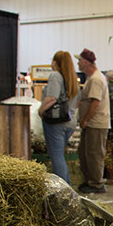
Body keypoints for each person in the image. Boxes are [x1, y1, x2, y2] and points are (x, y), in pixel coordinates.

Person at [38, 51, 80, 184]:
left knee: (56, 157)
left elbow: (52, 97)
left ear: (55, 62)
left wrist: (41, 110)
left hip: (56, 122)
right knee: (60, 156)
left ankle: (63, 190)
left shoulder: (56, 76)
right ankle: (67, 187)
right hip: (70, 122)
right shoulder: (72, 79)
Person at [75, 48, 110, 193]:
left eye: (79, 61)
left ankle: (96, 183)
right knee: (86, 152)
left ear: (85, 62)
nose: (77, 64)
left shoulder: (96, 79)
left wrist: (85, 119)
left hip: (95, 123)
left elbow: (95, 103)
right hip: (92, 123)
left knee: (94, 153)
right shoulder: (93, 78)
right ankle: (91, 181)